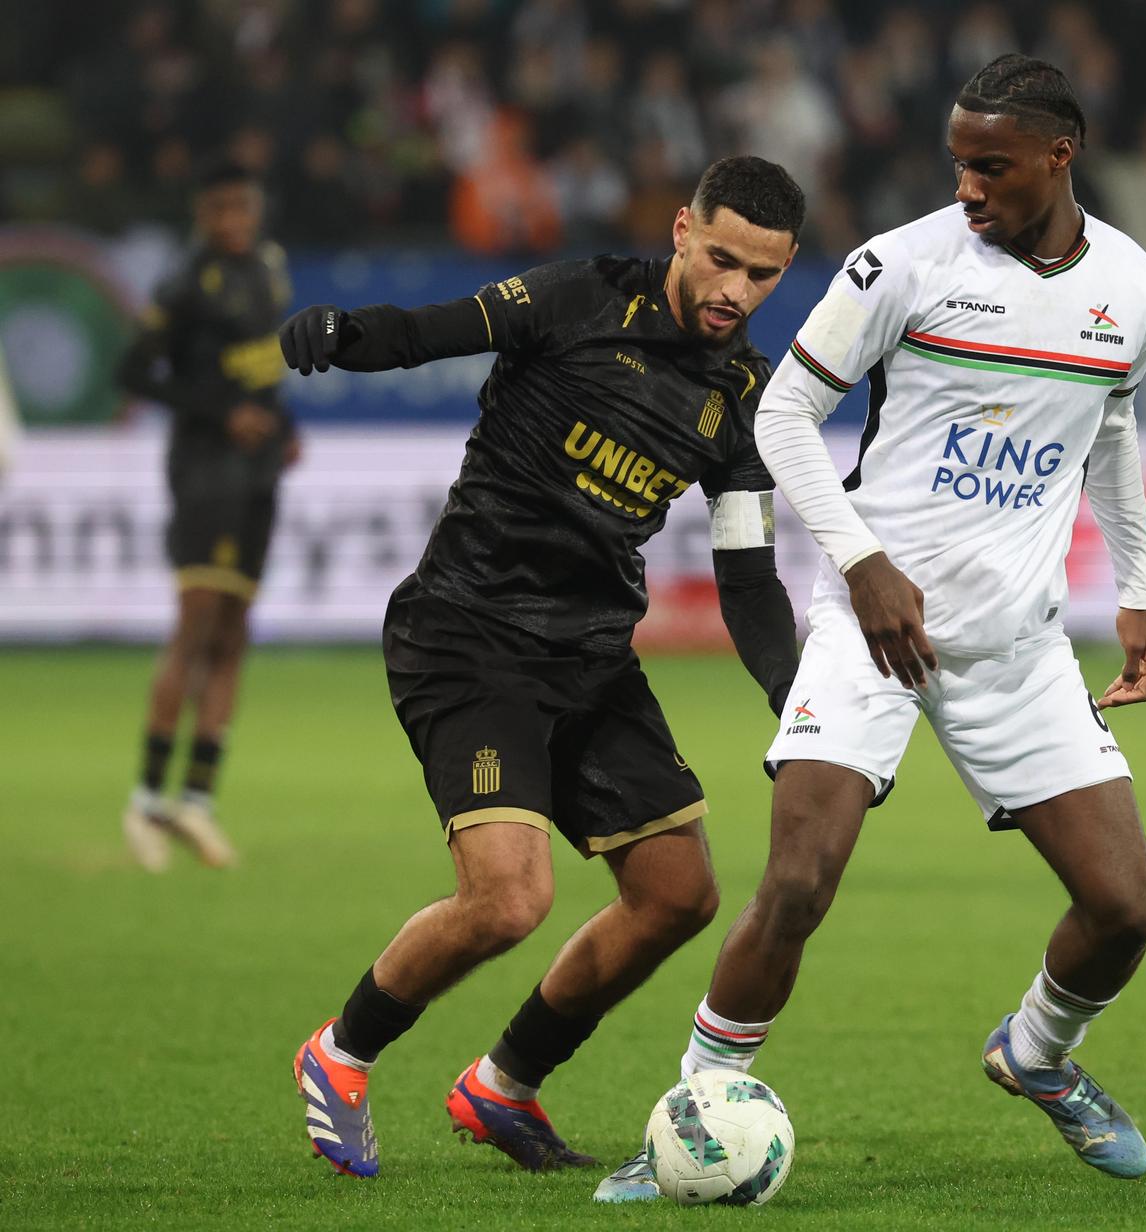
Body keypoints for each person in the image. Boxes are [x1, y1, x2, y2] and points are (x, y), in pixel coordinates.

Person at [595, 54, 1146, 1202]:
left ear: (1061, 155)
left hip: (1014, 640)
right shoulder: (901, 264)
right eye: (957, 159)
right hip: (872, 622)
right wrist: (861, 563)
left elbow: (1110, 425)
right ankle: (690, 1122)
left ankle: (1037, 1053)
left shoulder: (1140, 290)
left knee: (1126, 907)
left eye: (991, 165)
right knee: (800, 877)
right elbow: (784, 414)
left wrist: (1139, 586)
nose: (966, 183)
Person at [278, 156, 807, 1180]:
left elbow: (746, 575)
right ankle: (340, 1052)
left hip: (592, 653)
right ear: (683, 231)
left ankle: (502, 1083)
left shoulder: (741, 393)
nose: (738, 291)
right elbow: (431, 330)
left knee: (677, 893)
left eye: (766, 275)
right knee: (510, 898)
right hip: (467, 632)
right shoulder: (578, 298)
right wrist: (341, 335)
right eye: (726, 260)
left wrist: (793, 696)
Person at [115, 160, 296, 872]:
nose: (234, 222)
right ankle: (145, 798)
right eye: (220, 210)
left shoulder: (270, 267)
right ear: (202, 213)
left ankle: (196, 800)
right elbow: (132, 372)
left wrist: (283, 426)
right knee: (195, 625)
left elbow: (263, 370)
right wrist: (224, 415)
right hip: (204, 472)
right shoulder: (185, 283)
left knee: (234, 633)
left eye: (243, 208)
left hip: (257, 472)